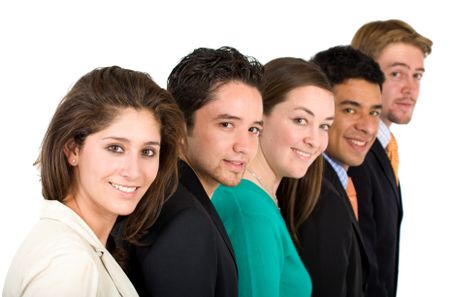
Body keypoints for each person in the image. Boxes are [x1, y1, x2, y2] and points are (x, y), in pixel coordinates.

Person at [2, 66, 185, 297]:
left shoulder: (81, 247)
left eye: (148, 152)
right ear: (72, 150)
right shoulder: (68, 263)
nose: (134, 171)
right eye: (115, 148)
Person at [123, 46, 264, 297]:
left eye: (253, 129)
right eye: (226, 124)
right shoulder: (185, 221)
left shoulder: (172, 196)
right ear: (179, 126)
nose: (244, 147)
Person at [212, 57, 335, 297]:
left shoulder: (260, 200)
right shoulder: (250, 210)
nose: (315, 140)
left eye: (324, 126)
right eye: (301, 120)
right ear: (260, 117)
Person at [348, 19, 433, 297]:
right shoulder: (354, 155)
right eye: (397, 74)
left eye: (417, 75)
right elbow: (363, 270)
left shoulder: (383, 150)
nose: (411, 88)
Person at [296, 46, 385, 297]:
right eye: (350, 109)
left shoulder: (339, 182)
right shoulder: (318, 194)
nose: (368, 127)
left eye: (374, 112)